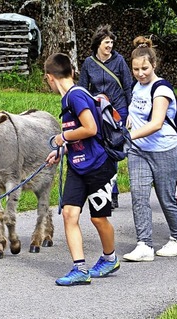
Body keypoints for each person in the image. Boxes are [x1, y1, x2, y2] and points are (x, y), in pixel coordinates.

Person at [44, 53, 120, 285]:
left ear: (49, 78)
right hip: (78, 165)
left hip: (99, 166)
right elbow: (81, 136)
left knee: (98, 219)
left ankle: (110, 259)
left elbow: (90, 128)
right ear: (72, 72)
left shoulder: (75, 96)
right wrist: (62, 149)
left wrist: (61, 137)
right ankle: (80, 269)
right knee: (69, 213)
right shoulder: (68, 98)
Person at [122, 36, 177, 262]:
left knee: (166, 197)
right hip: (138, 150)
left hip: (165, 150)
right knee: (138, 196)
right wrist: (129, 119)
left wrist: (127, 135)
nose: (140, 73)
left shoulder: (162, 90)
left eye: (145, 68)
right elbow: (136, 111)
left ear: (154, 65)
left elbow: (156, 123)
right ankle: (144, 245)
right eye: (136, 69)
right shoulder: (136, 87)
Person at [78, 24, 132, 209]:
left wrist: (130, 111)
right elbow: (83, 89)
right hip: (98, 112)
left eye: (111, 42)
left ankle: (113, 192)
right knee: (99, 150)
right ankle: (100, 188)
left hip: (118, 110)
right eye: (106, 42)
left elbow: (127, 86)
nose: (110, 46)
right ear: (98, 44)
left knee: (112, 150)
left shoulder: (119, 61)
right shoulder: (88, 63)